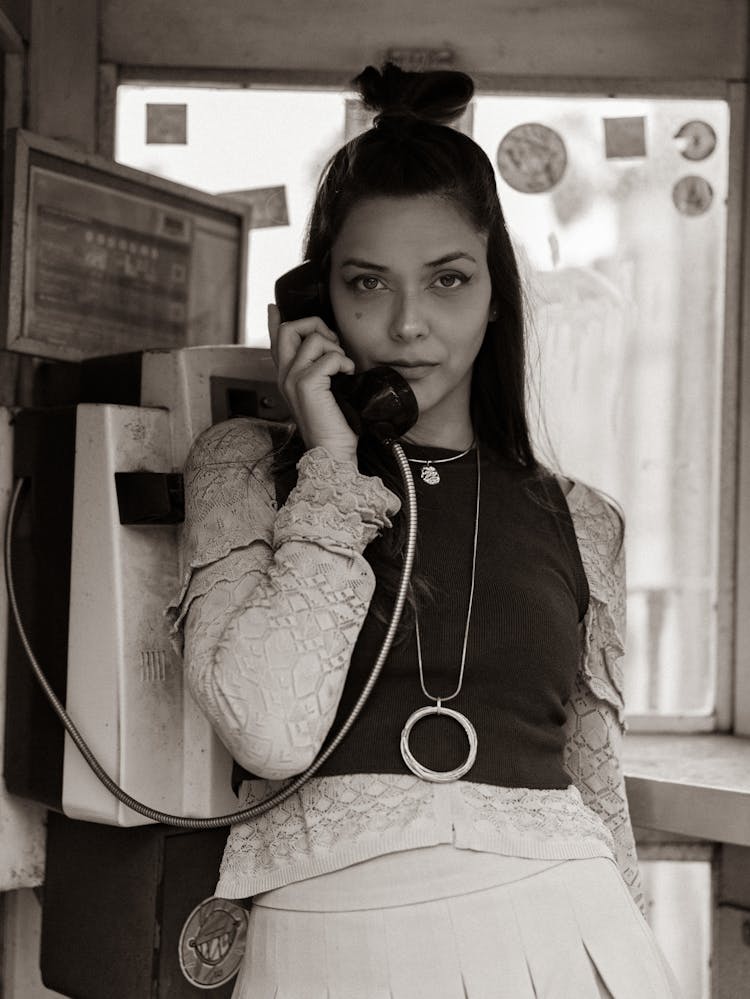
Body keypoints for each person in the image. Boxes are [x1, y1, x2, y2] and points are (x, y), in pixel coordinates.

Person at [170, 63, 682, 998]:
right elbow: (272, 729)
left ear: (497, 293)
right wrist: (330, 460)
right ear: (314, 301)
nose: (409, 324)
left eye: (448, 278)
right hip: (331, 941)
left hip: (570, 932)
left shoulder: (579, 517)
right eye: (368, 284)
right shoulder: (247, 468)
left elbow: (597, 787)